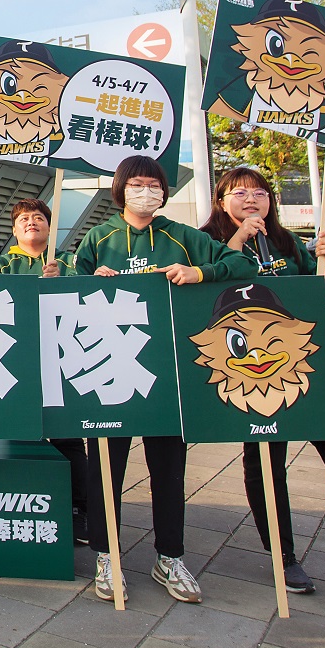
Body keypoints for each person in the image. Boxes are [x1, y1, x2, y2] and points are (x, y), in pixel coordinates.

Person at [73, 155, 257, 606]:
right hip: (106, 371)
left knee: (169, 471)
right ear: (120, 189)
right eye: (136, 183)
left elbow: (242, 266)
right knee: (105, 470)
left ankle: (169, 556)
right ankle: (105, 554)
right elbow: (69, 293)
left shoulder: (182, 235)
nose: (146, 191)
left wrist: (200, 272)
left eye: (154, 184)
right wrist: (89, 279)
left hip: (168, 372)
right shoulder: (98, 238)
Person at [199, 166, 325, 596]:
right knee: (264, 459)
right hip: (241, 367)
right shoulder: (204, 239)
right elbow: (204, 282)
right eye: (239, 192)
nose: (251, 199)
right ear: (221, 200)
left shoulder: (287, 244)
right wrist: (239, 240)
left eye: (260, 193)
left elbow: (318, 296)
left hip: (295, 363)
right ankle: (282, 553)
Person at [0, 198, 87, 542]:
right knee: (19, 437)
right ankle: (23, 502)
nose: (32, 222)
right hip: (14, 363)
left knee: (68, 438)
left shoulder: (70, 261)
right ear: (14, 229)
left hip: (63, 361)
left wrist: (65, 279)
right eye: (24, 219)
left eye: (39, 217)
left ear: (50, 224)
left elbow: (91, 299)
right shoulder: (1, 264)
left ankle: (78, 507)